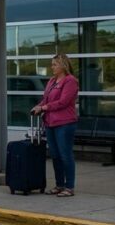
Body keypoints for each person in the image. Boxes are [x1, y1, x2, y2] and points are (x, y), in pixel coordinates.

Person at [32, 53, 80, 198]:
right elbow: (45, 99)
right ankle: (59, 185)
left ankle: (69, 186)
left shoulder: (70, 81)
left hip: (64, 123)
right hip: (50, 123)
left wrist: (44, 108)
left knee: (65, 155)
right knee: (55, 155)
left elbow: (63, 102)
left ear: (63, 65)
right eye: (52, 64)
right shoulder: (52, 81)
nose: (52, 67)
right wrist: (38, 106)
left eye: (54, 64)